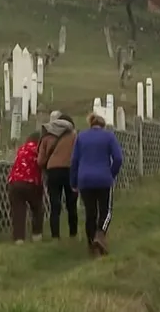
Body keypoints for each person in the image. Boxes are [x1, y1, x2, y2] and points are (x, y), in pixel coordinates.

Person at [70, 113, 123, 256]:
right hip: (103, 178)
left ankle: (91, 245)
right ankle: (100, 234)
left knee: (90, 213)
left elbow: (74, 161)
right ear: (103, 125)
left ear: (90, 124)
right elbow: (118, 158)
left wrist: (73, 182)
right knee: (106, 211)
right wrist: (111, 173)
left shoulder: (81, 137)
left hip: (85, 180)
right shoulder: (109, 136)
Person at [38, 110, 78, 240]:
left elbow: (40, 160)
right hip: (69, 170)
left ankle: (55, 235)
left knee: (55, 204)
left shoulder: (46, 137)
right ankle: (73, 233)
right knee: (71, 203)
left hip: (53, 172)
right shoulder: (73, 135)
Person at [7, 130, 45, 243]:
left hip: (14, 182)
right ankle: (36, 235)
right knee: (37, 208)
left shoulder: (22, 149)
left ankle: (19, 239)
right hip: (31, 182)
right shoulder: (38, 150)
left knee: (18, 211)